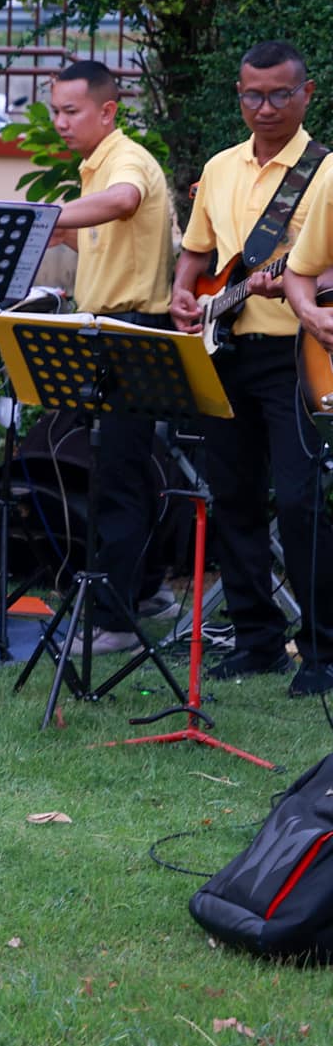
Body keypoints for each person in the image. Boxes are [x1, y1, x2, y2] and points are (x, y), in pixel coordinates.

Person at [171, 41, 333, 696]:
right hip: (224, 349)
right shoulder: (218, 166)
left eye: (278, 95)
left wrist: (296, 279)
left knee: (299, 502)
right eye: (251, 96)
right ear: (237, 94)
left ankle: (323, 651)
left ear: (307, 94)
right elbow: (197, 253)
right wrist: (184, 294)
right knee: (230, 497)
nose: (263, 108)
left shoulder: (324, 171)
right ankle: (258, 639)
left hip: (296, 355)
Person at [43, 60, 177, 650]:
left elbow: (123, 201)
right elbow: (89, 230)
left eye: (71, 111)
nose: (60, 122)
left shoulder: (125, 161)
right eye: (55, 111)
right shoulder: (90, 169)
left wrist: (42, 218)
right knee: (125, 472)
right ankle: (148, 590)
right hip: (99, 329)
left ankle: (116, 621)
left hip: (129, 330)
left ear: (107, 112)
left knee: (117, 478)